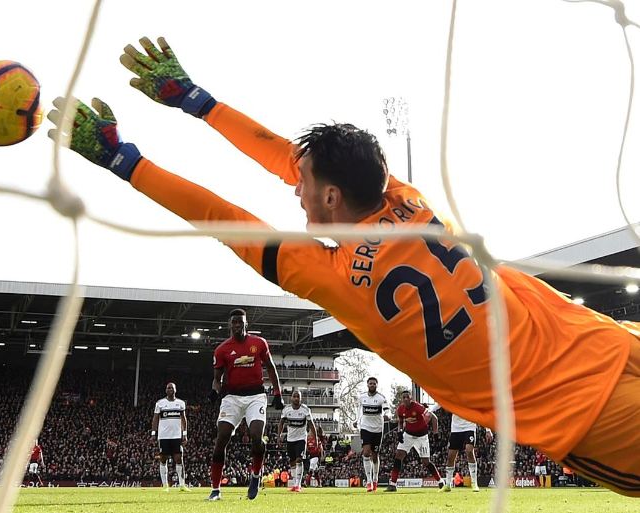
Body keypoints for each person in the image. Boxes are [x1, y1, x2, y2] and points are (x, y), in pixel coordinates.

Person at [47, 35, 640, 497]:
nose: (293, 189)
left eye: (302, 184)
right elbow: (287, 158)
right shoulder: (406, 200)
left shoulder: (330, 275)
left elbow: (221, 215)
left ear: (332, 197)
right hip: (607, 339)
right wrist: (199, 103)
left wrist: (127, 161)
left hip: (583, 407)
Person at [203, 309, 283, 501]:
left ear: (246, 324)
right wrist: (215, 391)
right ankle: (215, 490)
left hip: (255, 396)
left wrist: (278, 393)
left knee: (257, 436)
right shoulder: (222, 350)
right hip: (232, 397)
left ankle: (255, 476)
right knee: (221, 439)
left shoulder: (259, 343)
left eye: (241, 322)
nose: (237, 325)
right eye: (234, 322)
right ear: (230, 325)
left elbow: (270, 367)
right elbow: (217, 378)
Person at [386, 391, 444, 492]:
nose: (405, 399)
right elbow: (400, 421)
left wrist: (435, 434)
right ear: (402, 399)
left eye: (407, 397)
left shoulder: (418, 407)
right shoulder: (400, 409)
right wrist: (400, 432)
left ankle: (440, 481)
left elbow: (434, 418)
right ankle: (392, 484)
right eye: (403, 397)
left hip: (421, 437)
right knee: (398, 455)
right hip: (408, 435)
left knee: (426, 462)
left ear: (411, 398)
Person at [430, 404, 493, 493]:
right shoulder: (455, 395)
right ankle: (448, 484)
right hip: (456, 428)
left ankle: (474, 483)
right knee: (451, 456)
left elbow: (481, 411)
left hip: (469, 426)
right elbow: (441, 402)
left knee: (469, 451)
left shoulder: (472, 397)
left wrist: (488, 429)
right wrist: (429, 411)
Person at [351, 377, 388, 492]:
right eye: (370, 383)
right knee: (366, 453)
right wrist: (356, 420)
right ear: (367, 385)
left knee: (375, 455)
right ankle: (369, 481)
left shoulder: (381, 397)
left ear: (377, 385)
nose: (372, 385)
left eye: (374, 383)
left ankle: (375, 479)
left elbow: (386, 409)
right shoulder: (362, 397)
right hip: (365, 427)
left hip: (377, 429)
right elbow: (359, 410)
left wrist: (388, 415)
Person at [277, 389, 317, 492]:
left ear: (300, 398)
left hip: (301, 439)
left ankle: (298, 484)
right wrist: (279, 436)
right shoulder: (286, 410)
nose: (296, 398)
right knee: (292, 462)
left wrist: (315, 438)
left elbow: (311, 424)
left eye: (298, 396)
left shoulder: (305, 410)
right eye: (294, 396)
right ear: (291, 398)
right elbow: (281, 423)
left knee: (299, 459)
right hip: (290, 439)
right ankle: (295, 483)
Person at [151, 382, 189, 491]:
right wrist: (153, 433)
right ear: (165, 390)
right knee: (163, 459)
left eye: (172, 388)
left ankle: (182, 485)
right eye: (168, 388)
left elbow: (184, 419)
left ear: (175, 390)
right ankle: (165, 485)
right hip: (163, 436)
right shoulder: (160, 403)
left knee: (178, 459)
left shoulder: (181, 403)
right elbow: (155, 418)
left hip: (177, 436)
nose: (170, 389)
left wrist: (185, 434)